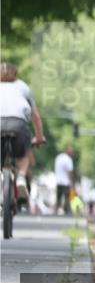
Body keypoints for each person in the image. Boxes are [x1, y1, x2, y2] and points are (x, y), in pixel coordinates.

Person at [0, 62, 45, 205]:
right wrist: (38, 137)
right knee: (24, 154)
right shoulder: (23, 86)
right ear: (15, 74)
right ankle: (20, 178)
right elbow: (35, 116)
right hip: (18, 125)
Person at [54, 146, 75, 215]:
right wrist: (72, 181)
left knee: (58, 197)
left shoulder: (58, 157)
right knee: (67, 197)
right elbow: (70, 172)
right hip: (66, 182)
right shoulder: (68, 159)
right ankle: (67, 210)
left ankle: (56, 210)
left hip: (58, 181)